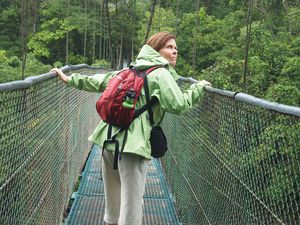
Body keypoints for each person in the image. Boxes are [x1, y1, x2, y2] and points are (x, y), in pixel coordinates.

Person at [51, 31, 211, 225]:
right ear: (156, 50)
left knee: (113, 202)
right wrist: (198, 87)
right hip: (133, 147)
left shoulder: (129, 70)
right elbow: (178, 105)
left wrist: (70, 79)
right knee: (131, 205)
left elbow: (99, 81)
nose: (175, 51)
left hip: (108, 140)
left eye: (176, 48)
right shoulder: (161, 74)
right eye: (169, 47)